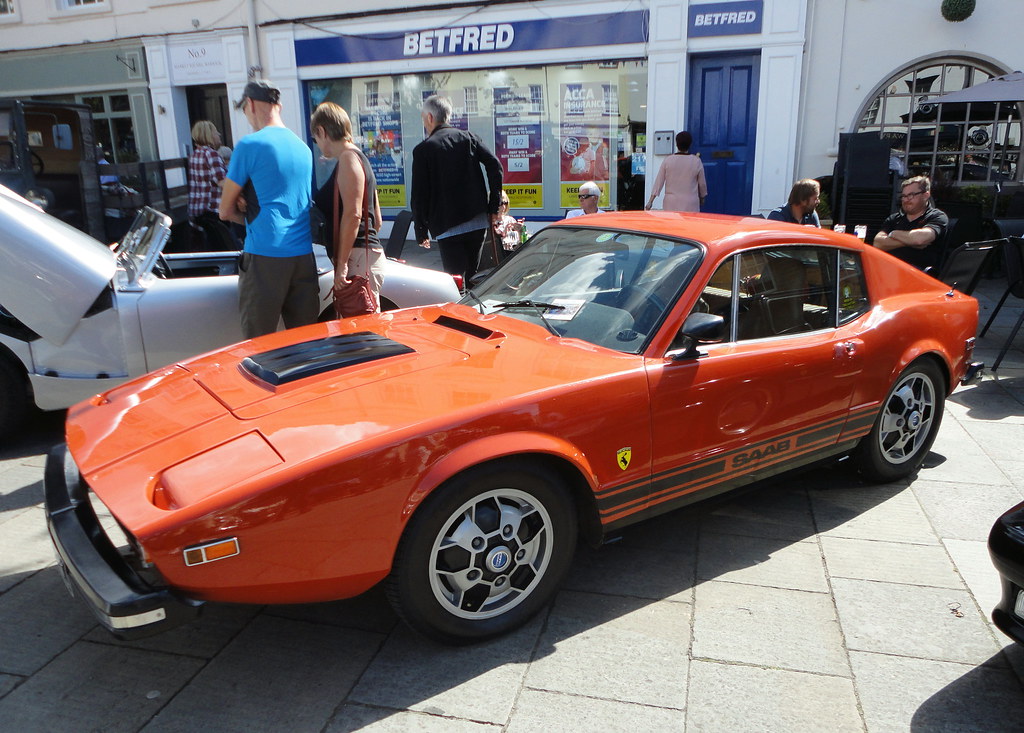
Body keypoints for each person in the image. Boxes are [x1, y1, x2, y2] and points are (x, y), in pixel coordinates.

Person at [219, 79, 319, 339]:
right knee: (306, 344)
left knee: (259, 346)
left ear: (250, 104)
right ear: (279, 106)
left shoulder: (249, 145)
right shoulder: (303, 147)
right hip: (303, 257)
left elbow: (225, 211)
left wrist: (247, 211)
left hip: (265, 257)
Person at [412, 94, 504, 286]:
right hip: (476, 219)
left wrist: (421, 229)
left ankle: (458, 310)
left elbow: (419, 193)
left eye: (423, 118)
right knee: (473, 276)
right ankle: (473, 310)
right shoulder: (468, 138)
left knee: (454, 280)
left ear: (430, 117)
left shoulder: (424, 150)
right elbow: (494, 166)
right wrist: (494, 206)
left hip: (446, 222)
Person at [310, 101, 385, 311]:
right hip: (365, 256)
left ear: (322, 131)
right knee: (362, 332)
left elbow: (353, 214)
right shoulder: (360, 158)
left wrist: (342, 264)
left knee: (360, 335)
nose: (317, 144)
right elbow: (376, 220)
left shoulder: (348, 158)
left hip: (357, 259)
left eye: (316, 138)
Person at [872, 175, 948, 270]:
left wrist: (893, 234)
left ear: (926, 195)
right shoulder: (894, 219)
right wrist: (910, 241)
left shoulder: (936, 216)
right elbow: (878, 243)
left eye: (911, 195)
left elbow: (920, 239)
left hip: (919, 274)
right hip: (889, 269)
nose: (906, 200)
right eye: (903, 196)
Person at [187, 121, 227, 246]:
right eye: (215, 132)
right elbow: (222, 182)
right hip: (213, 209)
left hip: (197, 209)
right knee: (223, 247)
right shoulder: (212, 154)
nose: (219, 134)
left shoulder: (194, 155)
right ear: (209, 135)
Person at [645, 131, 707, 212]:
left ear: (676, 144)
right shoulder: (696, 161)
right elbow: (702, 184)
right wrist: (702, 197)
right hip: (690, 203)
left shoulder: (668, 160)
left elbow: (658, 182)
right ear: (690, 144)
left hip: (671, 203)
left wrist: (650, 201)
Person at [494, 190, 527, 257]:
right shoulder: (489, 222)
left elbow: (520, 245)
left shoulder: (510, 220)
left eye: (505, 203)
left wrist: (521, 231)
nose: (503, 206)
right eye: (500, 203)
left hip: (510, 257)